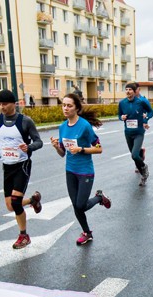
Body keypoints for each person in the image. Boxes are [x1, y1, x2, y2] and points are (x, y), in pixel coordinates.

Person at [0, 89, 43, 250]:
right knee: (10, 206)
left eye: (5, 104)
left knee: (16, 202)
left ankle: (24, 236)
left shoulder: (25, 121)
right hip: (7, 166)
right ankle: (33, 200)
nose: (2, 107)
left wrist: (29, 147)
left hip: (22, 165)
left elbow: (39, 142)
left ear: (13, 104)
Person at [49, 93, 111, 246]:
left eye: (69, 105)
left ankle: (99, 198)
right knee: (76, 206)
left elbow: (99, 148)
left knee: (81, 205)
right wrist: (56, 147)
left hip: (85, 171)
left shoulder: (84, 126)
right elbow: (63, 153)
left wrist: (81, 149)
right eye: (63, 105)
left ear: (76, 108)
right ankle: (87, 233)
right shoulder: (62, 127)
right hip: (70, 170)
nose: (65, 108)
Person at [118, 82, 153, 186]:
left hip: (138, 132)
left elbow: (150, 112)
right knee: (134, 156)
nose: (128, 91)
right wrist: (121, 117)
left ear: (134, 91)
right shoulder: (122, 103)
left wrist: (145, 119)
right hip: (128, 132)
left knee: (134, 155)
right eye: (126, 90)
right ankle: (143, 172)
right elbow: (119, 115)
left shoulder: (141, 102)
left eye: (130, 90)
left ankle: (144, 169)